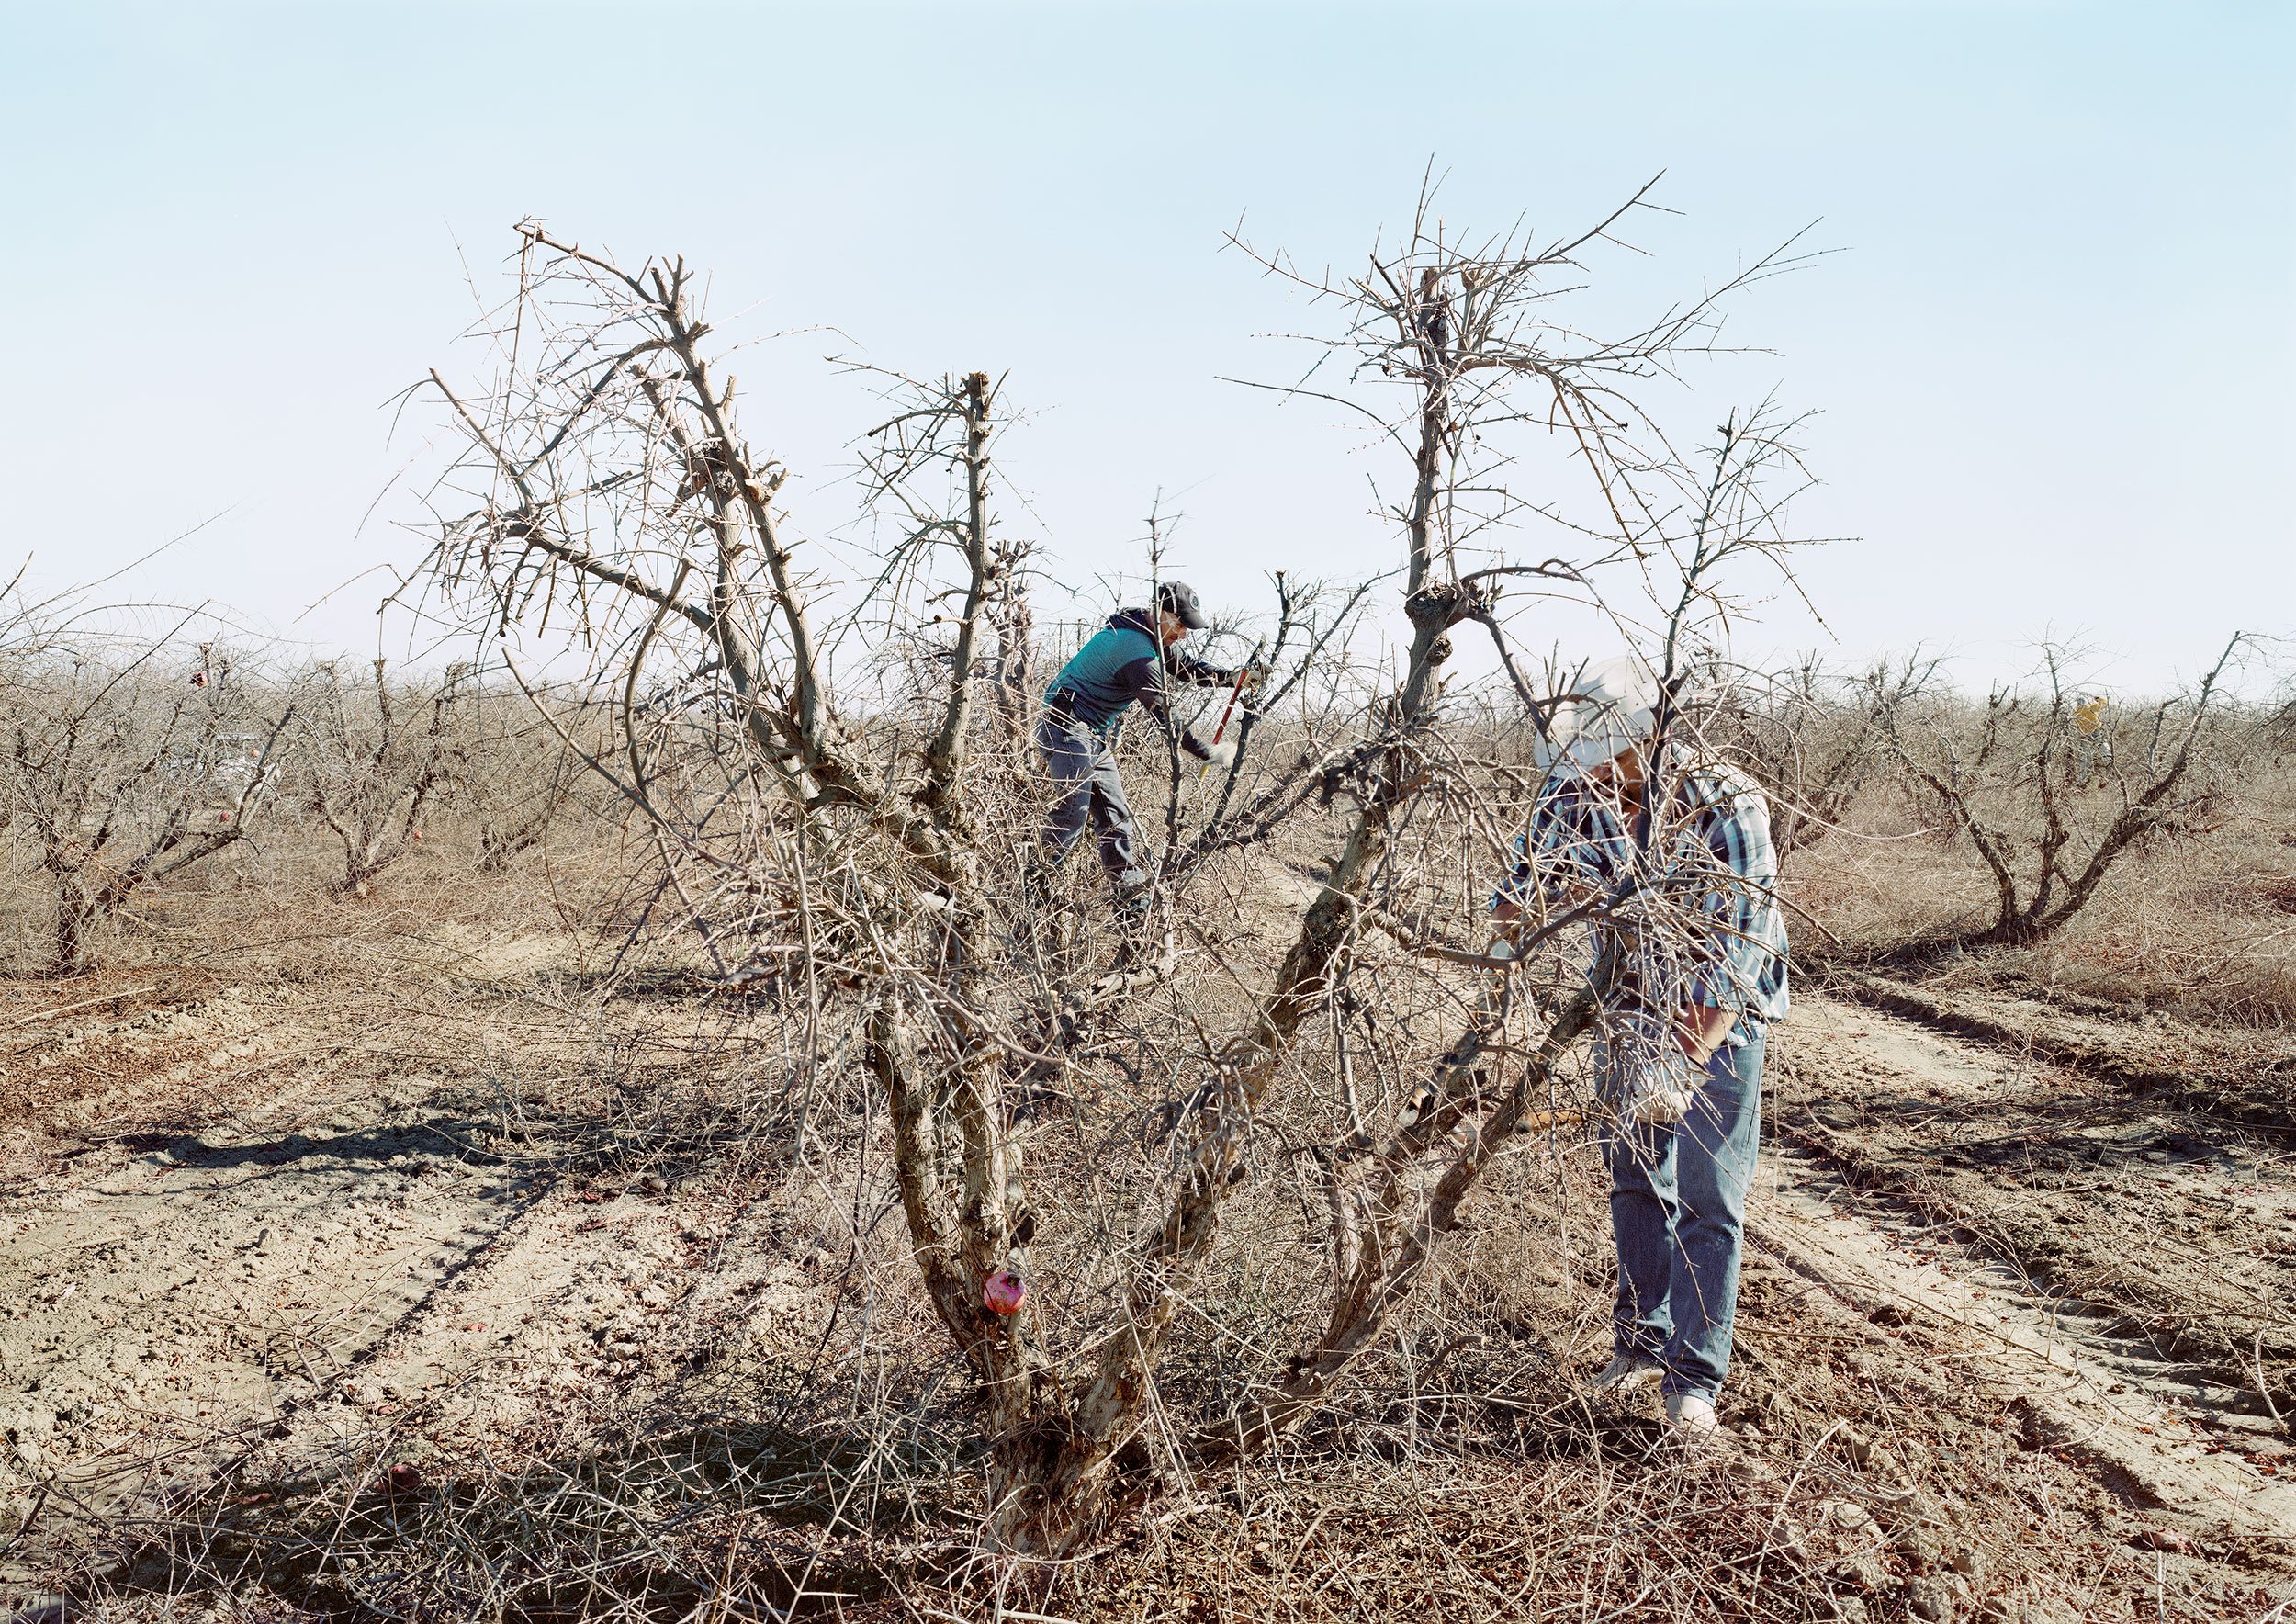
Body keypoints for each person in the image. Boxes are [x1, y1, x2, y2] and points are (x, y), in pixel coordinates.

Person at [1490, 660, 1788, 1438]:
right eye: (1583, 766)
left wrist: (1687, 1055)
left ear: (1649, 739)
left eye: (1612, 762)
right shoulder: (1572, 794)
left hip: (1719, 1015)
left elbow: (1744, 945)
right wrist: (1541, 905)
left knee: (1708, 1194)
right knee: (1632, 1176)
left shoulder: (1725, 800)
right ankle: (1640, 1344)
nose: (1599, 781)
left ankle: (1694, 1380)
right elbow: (1512, 898)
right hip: (1628, 1006)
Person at [1029, 581, 1250, 922]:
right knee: (1074, 810)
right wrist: (1205, 750)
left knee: (1116, 821)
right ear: (1160, 612)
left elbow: (1186, 668)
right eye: (1179, 624)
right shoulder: (1135, 650)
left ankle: (1133, 912)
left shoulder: (1150, 638)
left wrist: (1233, 678)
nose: (1183, 634)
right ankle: (1032, 898)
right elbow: (1164, 715)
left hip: (1091, 736)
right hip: (1064, 725)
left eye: (1188, 628)